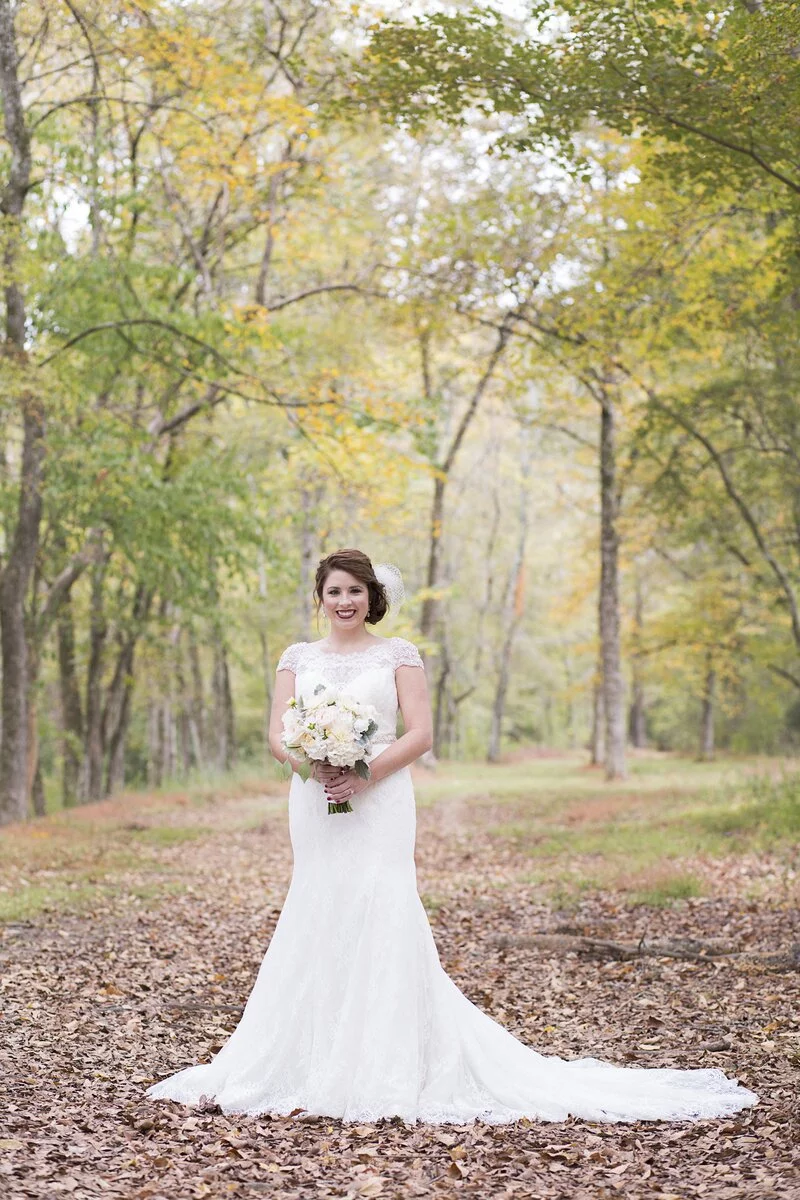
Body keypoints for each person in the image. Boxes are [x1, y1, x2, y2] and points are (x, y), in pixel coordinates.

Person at [145, 548, 758, 1124]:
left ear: (372, 596)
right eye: (334, 591)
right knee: (320, 903)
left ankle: (384, 1060)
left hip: (379, 797)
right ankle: (310, 1054)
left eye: (355, 591)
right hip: (313, 799)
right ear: (320, 596)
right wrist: (312, 765)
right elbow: (277, 734)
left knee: (381, 905)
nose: (344, 601)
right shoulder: (296, 658)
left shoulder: (398, 655)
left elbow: (420, 734)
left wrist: (362, 774)